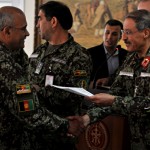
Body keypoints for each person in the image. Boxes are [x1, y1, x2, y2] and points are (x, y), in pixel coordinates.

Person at [0, 6, 84, 150]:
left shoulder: (15, 55)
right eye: (23, 28)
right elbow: (27, 109)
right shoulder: (5, 64)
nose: (27, 33)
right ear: (7, 31)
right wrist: (66, 125)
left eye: (39, 19)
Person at [28, 1, 92, 150]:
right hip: (32, 134)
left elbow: (76, 94)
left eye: (40, 18)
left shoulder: (79, 55)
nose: (37, 25)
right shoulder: (38, 52)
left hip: (59, 135)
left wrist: (38, 90)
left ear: (54, 21)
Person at [83, 9, 150, 150]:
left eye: (128, 32)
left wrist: (114, 100)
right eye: (123, 32)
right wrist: (86, 119)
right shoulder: (130, 60)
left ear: (146, 33)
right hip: (130, 140)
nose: (123, 38)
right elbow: (114, 93)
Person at [88, 19, 127, 90]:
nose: (109, 37)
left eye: (114, 34)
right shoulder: (90, 53)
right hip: (96, 94)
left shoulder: (127, 55)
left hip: (119, 97)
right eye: (107, 32)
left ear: (120, 37)